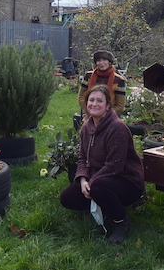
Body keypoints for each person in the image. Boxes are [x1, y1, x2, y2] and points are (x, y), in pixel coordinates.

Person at [61, 84, 145, 244]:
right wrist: (83, 180)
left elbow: (115, 166)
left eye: (99, 101)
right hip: (102, 179)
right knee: (67, 198)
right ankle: (105, 207)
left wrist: (91, 183)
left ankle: (121, 221)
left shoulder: (117, 128)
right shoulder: (87, 127)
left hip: (127, 181)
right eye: (91, 100)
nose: (94, 104)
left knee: (98, 187)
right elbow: (82, 158)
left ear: (107, 105)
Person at [77, 50, 127, 116]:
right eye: (98, 60)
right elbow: (81, 97)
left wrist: (103, 115)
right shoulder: (88, 76)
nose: (101, 63)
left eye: (104, 60)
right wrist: (90, 110)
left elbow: (120, 105)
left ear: (110, 62)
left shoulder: (118, 80)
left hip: (110, 116)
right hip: (89, 114)